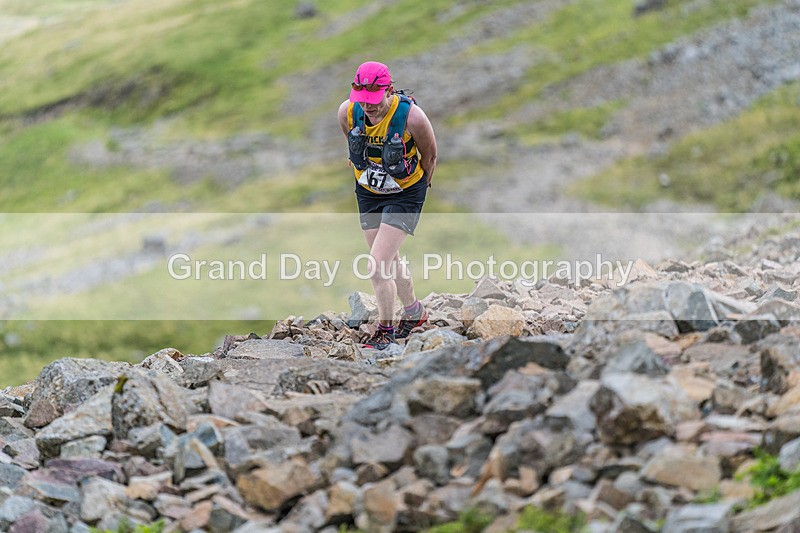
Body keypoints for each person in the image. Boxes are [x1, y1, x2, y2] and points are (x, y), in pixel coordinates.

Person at [337, 61, 437, 350]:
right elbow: (351, 142)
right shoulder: (347, 111)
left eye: (373, 99)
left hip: (405, 194)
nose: (367, 106)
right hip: (368, 192)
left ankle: (385, 331)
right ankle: (415, 313)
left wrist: (418, 191)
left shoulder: (413, 118)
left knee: (377, 265)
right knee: (388, 259)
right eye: (362, 99)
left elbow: (430, 156)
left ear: (389, 90)